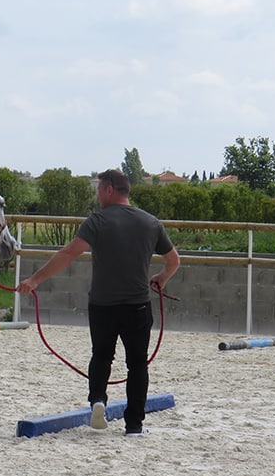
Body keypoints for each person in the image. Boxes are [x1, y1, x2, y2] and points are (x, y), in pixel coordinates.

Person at [17, 168, 180, 437]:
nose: (97, 195)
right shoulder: (151, 223)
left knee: (101, 356)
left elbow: (68, 253)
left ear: (109, 189)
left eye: (98, 189)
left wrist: (34, 280)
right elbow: (173, 260)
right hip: (138, 305)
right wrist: (161, 279)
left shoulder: (97, 221)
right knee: (137, 364)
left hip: (102, 305)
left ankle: (98, 401)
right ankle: (134, 425)